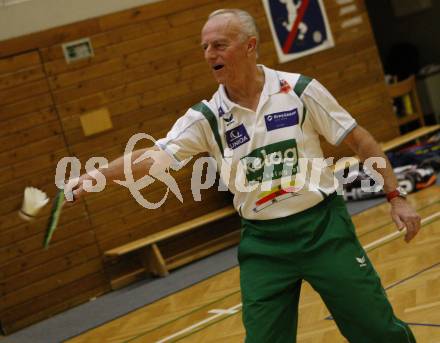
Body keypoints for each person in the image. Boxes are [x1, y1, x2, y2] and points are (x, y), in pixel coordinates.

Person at [70, 9, 421, 343]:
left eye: (219, 44)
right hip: (264, 244)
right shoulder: (206, 117)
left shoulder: (298, 90)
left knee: (377, 330)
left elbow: (359, 140)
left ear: (250, 46)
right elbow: (153, 157)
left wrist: (395, 197)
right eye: (205, 47)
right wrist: (95, 175)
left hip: (323, 229)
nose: (210, 54)